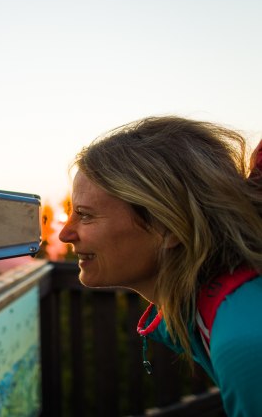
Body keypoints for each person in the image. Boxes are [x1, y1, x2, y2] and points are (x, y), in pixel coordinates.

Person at [58, 116, 262, 416]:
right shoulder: (212, 305)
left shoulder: (246, 344)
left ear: (168, 228)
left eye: (85, 215)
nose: (65, 234)